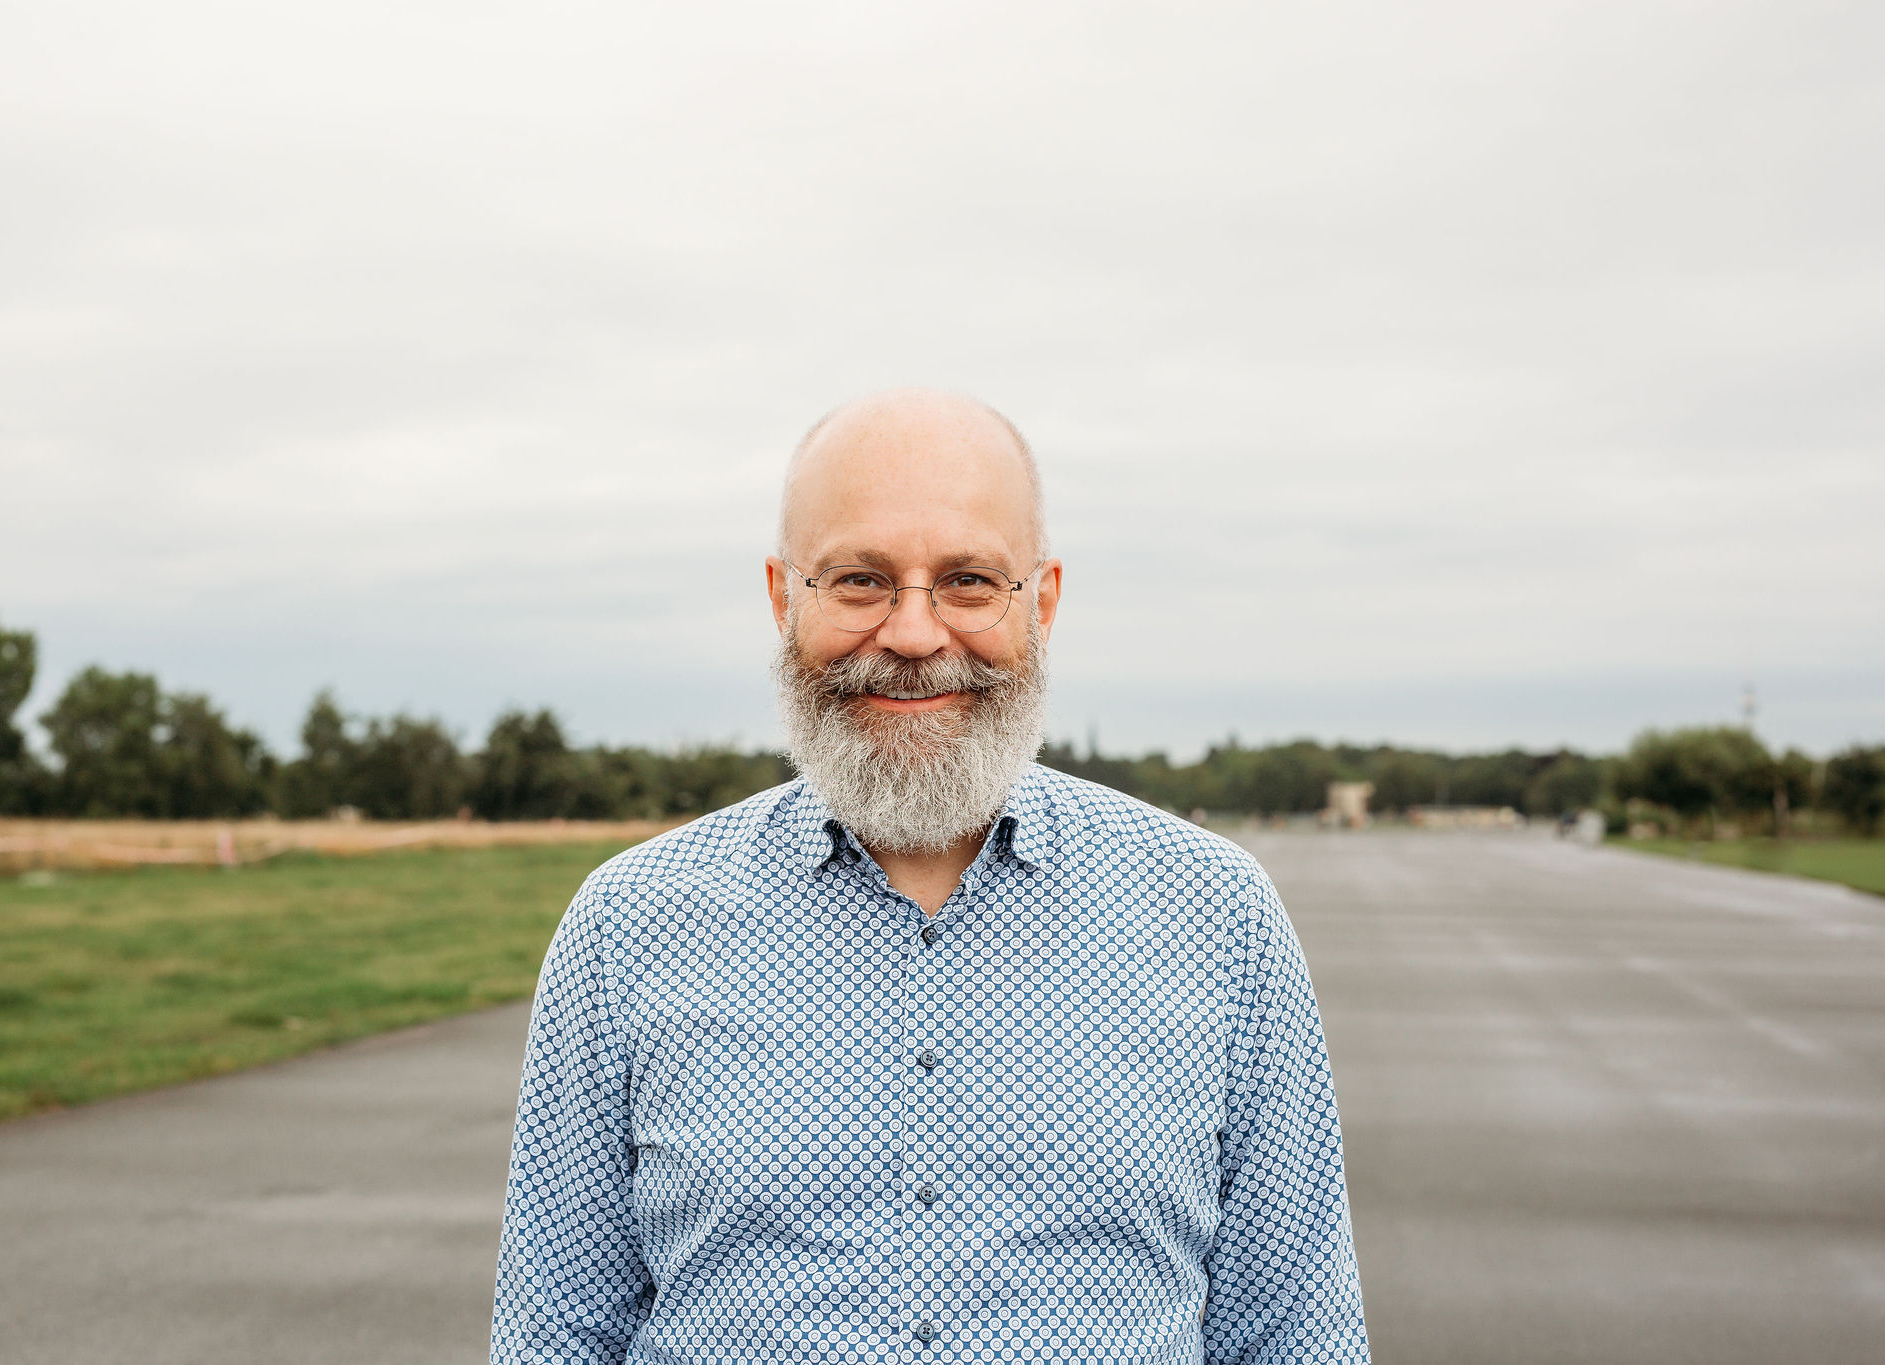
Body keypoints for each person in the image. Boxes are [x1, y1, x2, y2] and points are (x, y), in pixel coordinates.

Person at [490, 390, 1369, 1362]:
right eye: (861, 580)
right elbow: (555, 1337)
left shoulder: (1216, 920)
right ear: (785, 599)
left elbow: (1295, 1336)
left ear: (1041, 600)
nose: (913, 635)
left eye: (966, 581)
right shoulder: (629, 931)